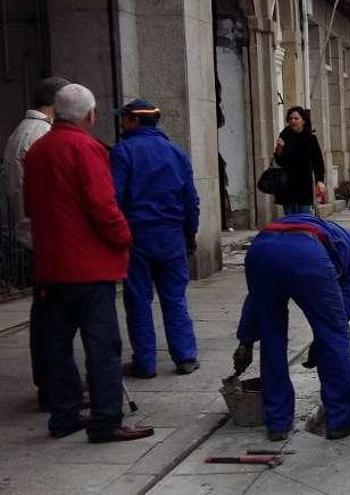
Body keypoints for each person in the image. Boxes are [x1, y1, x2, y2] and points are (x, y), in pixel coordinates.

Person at [24, 84, 154, 443]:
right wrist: (124, 239)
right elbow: (103, 205)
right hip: (88, 266)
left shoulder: (37, 150)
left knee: (58, 344)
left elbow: (29, 204)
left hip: (52, 265)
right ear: (90, 115)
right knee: (102, 347)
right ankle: (105, 420)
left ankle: (64, 414)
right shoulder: (86, 148)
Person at [233, 214, 350, 441]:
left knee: (271, 336)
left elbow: (255, 301)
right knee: (334, 336)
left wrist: (245, 340)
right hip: (306, 254)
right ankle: (340, 419)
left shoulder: (330, 234)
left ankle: (278, 422)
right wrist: (323, 340)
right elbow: (346, 304)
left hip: (260, 249)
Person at [110, 99, 201, 378]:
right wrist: (190, 233)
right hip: (172, 234)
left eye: (124, 118)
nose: (121, 123)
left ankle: (145, 362)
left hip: (137, 236)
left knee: (138, 300)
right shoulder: (176, 152)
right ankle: (185, 356)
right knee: (175, 297)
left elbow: (114, 197)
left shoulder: (122, 152)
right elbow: (191, 199)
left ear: (134, 120)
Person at [1, 76, 69, 411]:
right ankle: (53, 383)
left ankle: (52, 380)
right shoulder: (41, 135)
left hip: (34, 232)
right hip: (43, 235)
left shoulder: (23, 132)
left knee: (47, 315)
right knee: (52, 318)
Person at [274, 106, 326, 214]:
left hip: (304, 183)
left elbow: (318, 161)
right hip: (287, 183)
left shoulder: (310, 138)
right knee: (290, 219)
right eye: (290, 119)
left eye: (296, 118)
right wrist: (279, 149)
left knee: (303, 218)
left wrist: (319, 181)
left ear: (303, 120)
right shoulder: (284, 136)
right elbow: (279, 161)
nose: (293, 121)